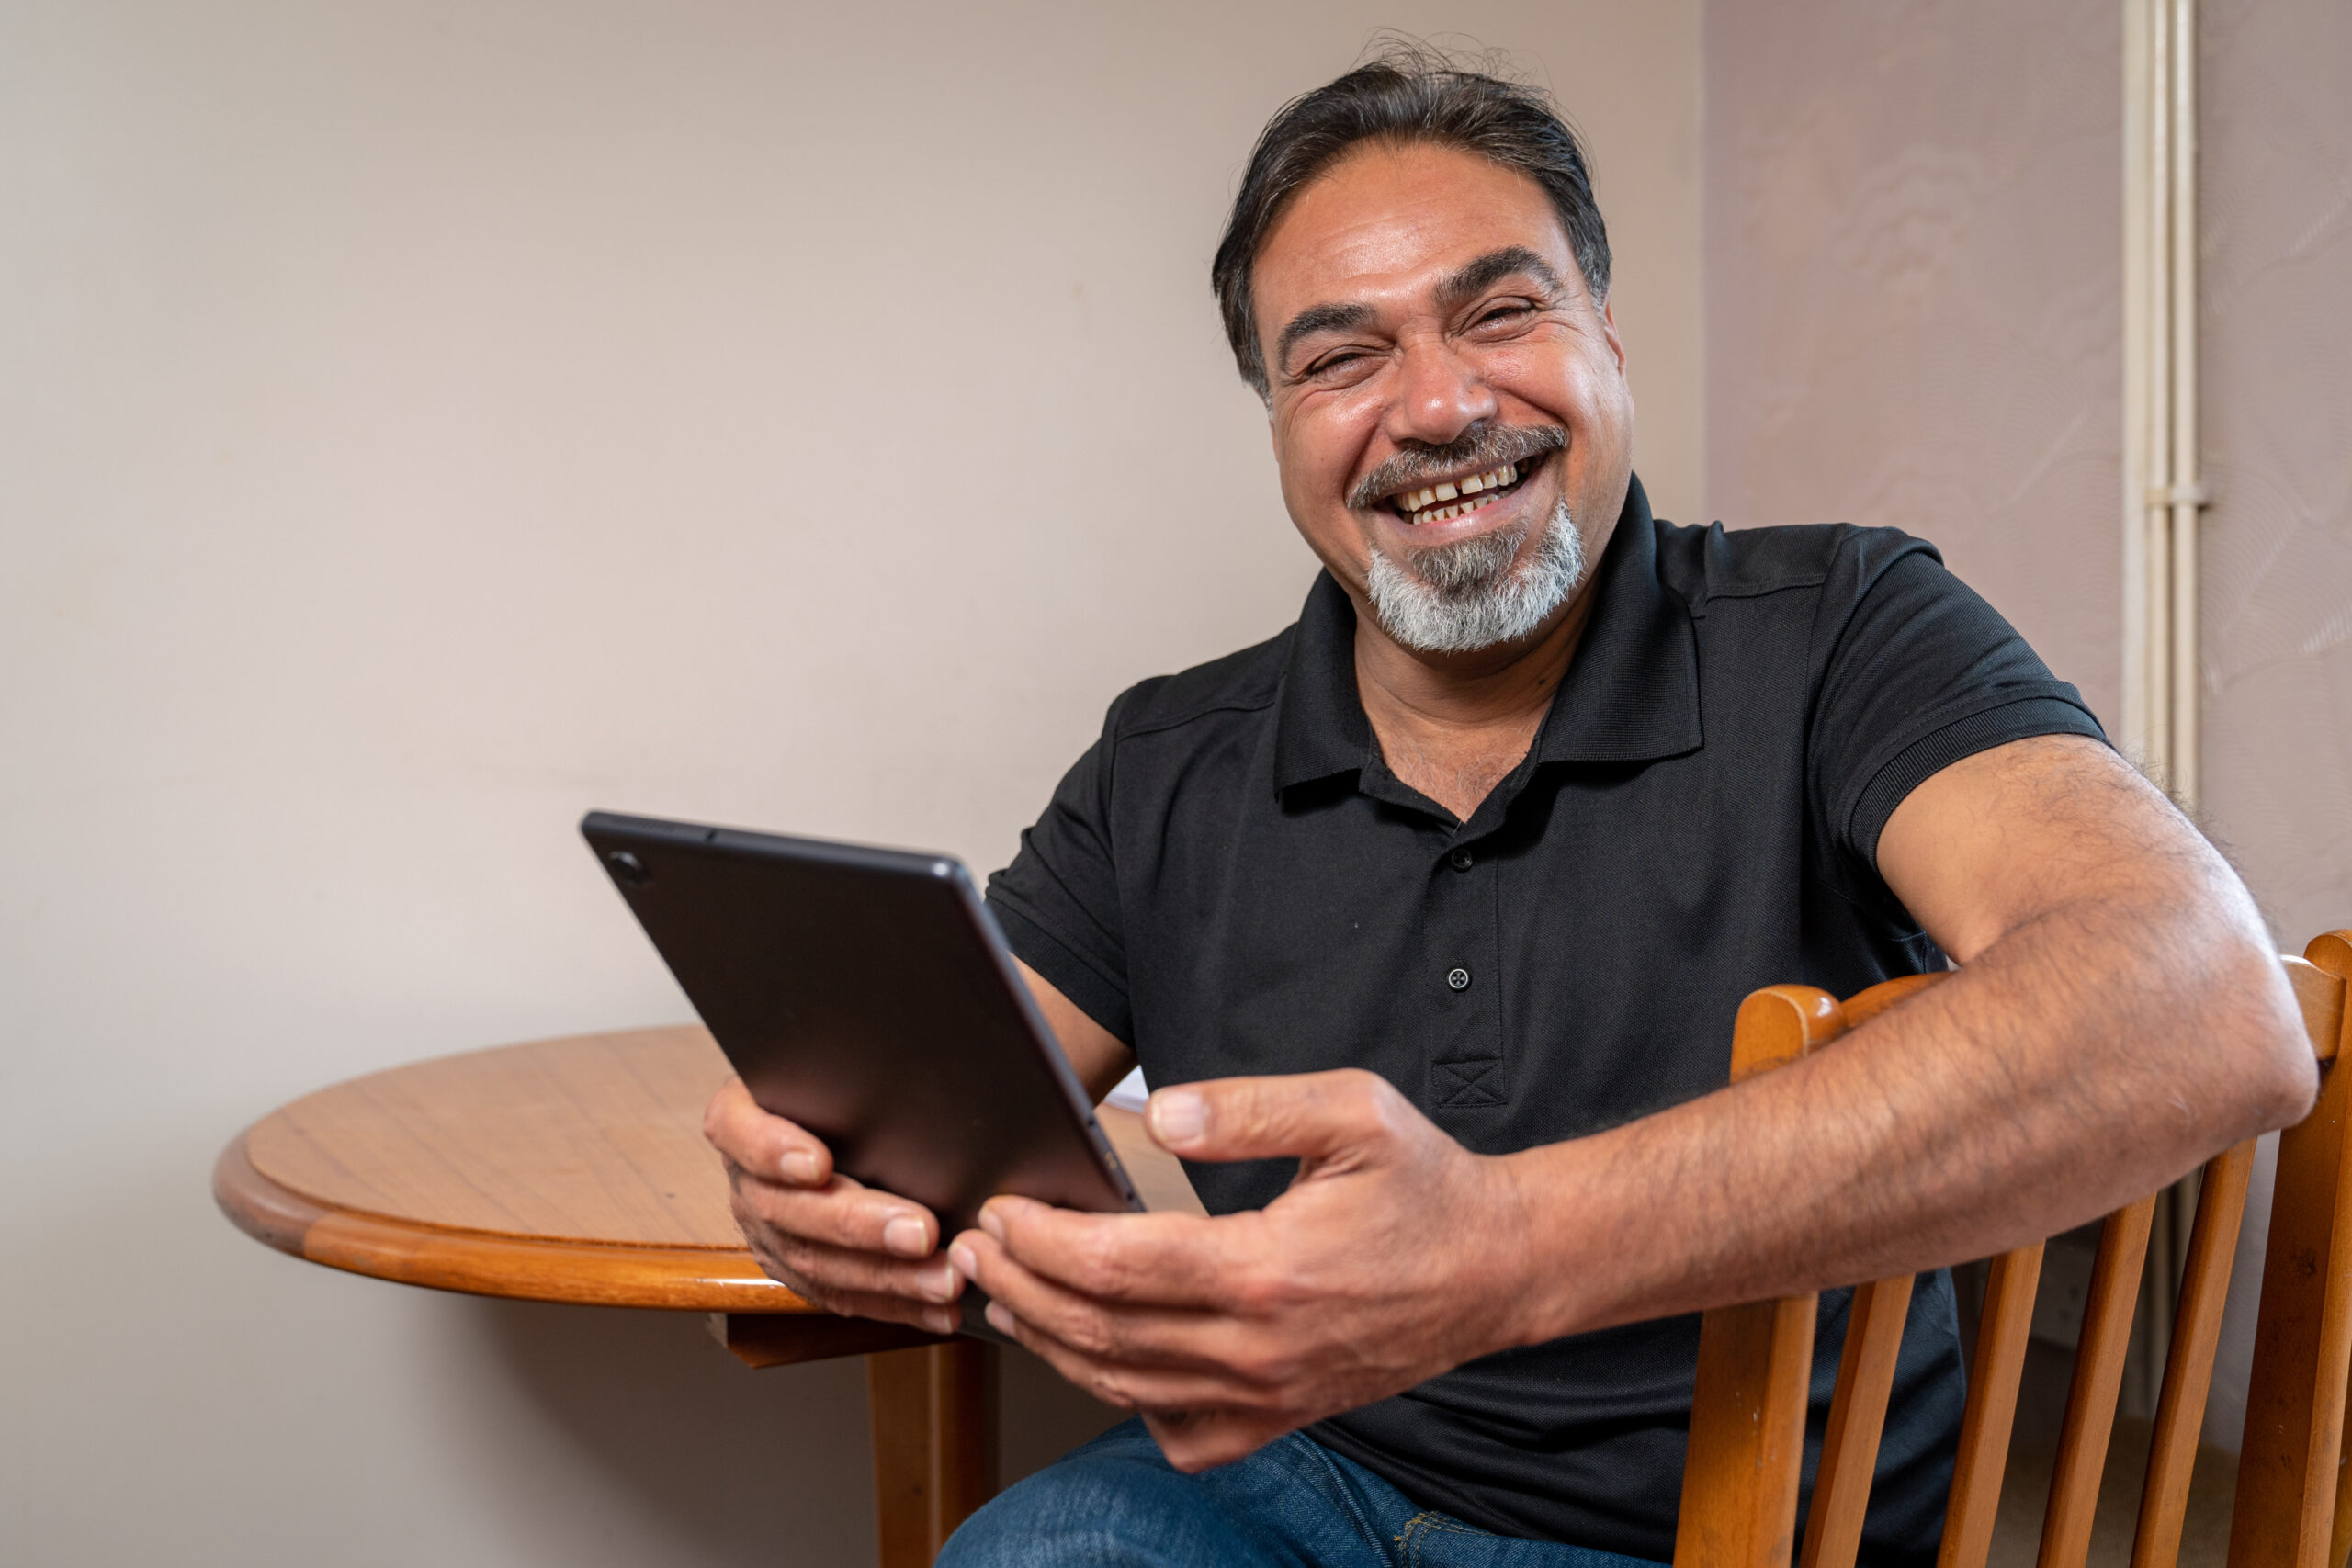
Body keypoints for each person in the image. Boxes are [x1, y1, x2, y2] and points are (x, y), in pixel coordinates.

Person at [703, 50, 2315, 1568]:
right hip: (1281, 1475)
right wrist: (817, 1177)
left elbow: (2207, 1004)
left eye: (1501, 312)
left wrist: (1497, 1250)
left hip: (1730, 1527)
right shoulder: (1165, 758)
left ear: (1606, 334)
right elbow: (942, 1098)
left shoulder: (1841, 627)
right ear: (1277, 422)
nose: (1438, 407)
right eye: (1339, 357)